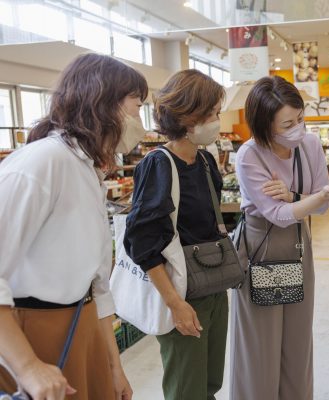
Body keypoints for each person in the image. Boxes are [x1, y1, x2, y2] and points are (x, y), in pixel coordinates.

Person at [0, 53, 147, 399]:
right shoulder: (42, 163)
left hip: (82, 323)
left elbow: (96, 284)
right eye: (137, 106)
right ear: (104, 103)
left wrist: (113, 366)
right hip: (33, 331)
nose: (142, 121)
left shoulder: (86, 169)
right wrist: (28, 367)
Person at [229, 76, 329, 400]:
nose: (297, 129)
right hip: (261, 249)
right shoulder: (249, 155)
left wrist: (296, 195)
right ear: (264, 125)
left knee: (298, 343)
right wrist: (317, 196)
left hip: (298, 246)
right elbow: (278, 214)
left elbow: (318, 208)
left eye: (300, 118)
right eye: (287, 124)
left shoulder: (310, 145)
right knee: (261, 346)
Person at [123, 69, 228, 400]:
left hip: (213, 286)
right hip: (180, 293)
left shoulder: (207, 162)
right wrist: (174, 303)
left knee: (210, 384)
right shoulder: (158, 165)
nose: (217, 121)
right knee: (187, 390)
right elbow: (142, 240)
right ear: (189, 116)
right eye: (212, 114)